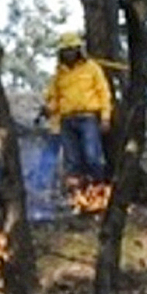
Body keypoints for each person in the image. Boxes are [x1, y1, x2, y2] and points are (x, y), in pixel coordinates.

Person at [44, 31, 113, 188]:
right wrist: (49, 109)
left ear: (78, 49)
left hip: (88, 118)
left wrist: (105, 117)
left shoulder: (92, 68)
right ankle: (78, 198)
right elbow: (54, 97)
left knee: (92, 157)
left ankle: (98, 191)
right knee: (72, 162)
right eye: (66, 50)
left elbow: (104, 93)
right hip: (66, 121)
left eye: (72, 49)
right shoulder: (59, 73)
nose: (69, 53)